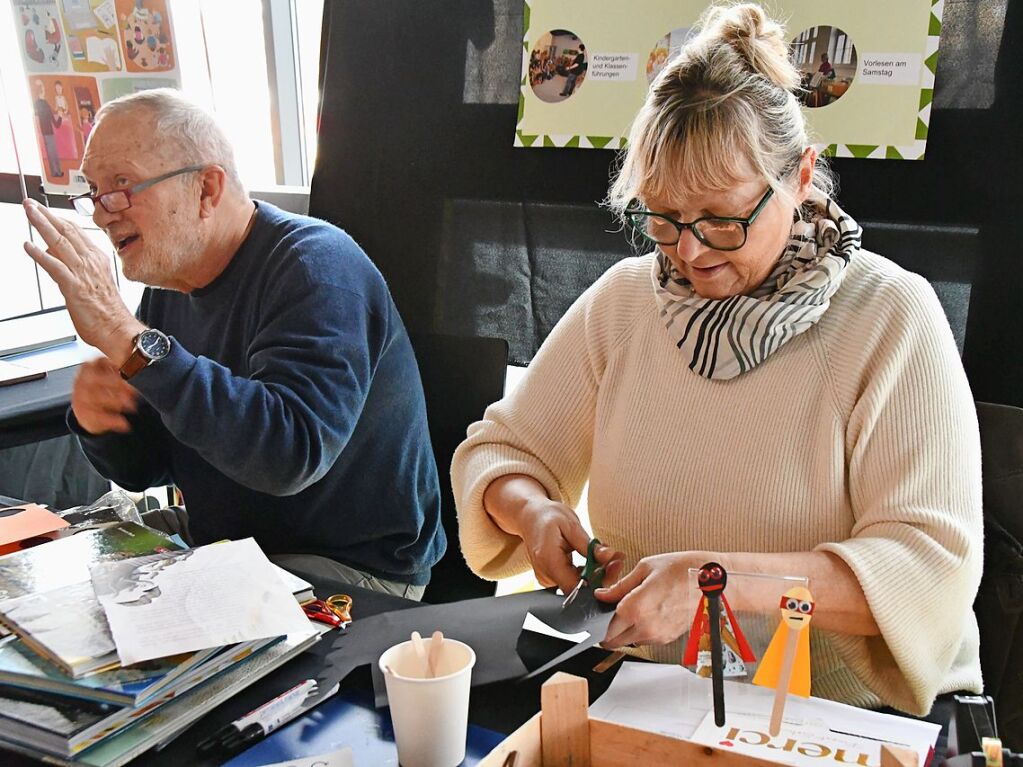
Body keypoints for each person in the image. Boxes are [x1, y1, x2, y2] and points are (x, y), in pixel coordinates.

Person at [452, 2, 982, 716]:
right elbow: (497, 450)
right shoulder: (625, 303)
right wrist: (534, 509)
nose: (692, 251)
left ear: (801, 176)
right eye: (663, 218)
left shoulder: (889, 317)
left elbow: (925, 570)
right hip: (648, 698)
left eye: (723, 220)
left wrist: (718, 580)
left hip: (838, 717)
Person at [21, 89, 445, 599]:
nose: (102, 213)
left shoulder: (316, 268)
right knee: (49, 596)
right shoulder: (169, 287)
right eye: (94, 190)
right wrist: (103, 422)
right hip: (229, 548)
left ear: (206, 188)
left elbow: (289, 456)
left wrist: (128, 338)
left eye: (122, 185)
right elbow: (146, 469)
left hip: (344, 569)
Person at [32, 80, 63, 178]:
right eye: (43, 89)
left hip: (49, 131)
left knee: (53, 152)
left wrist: (60, 116)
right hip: (46, 132)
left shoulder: (43, 104)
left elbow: (55, 123)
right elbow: (54, 121)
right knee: (51, 152)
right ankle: (55, 172)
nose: (44, 90)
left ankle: (57, 171)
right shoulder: (39, 104)